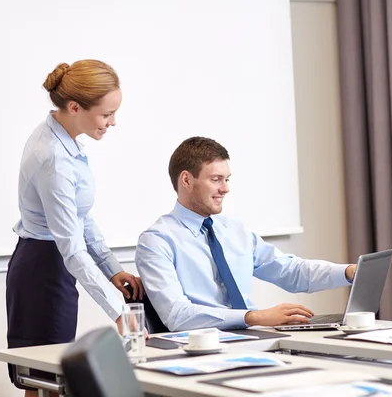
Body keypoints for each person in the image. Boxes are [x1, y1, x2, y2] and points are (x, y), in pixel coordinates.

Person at [6, 59, 144, 395]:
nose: (113, 122)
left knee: (53, 379)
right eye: (106, 114)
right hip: (43, 270)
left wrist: (111, 269)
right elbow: (71, 247)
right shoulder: (53, 157)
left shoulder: (65, 140)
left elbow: (79, 216)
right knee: (43, 380)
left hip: (52, 263)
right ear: (74, 107)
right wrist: (119, 314)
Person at [135, 136, 356, 331]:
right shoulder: (157, 241)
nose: (225, 188)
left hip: (255, 338)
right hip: (204, 348)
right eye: (216, 179)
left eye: (227, 179)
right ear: (186, 180)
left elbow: (290, 270)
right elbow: (177, 315)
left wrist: (347, 272)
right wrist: (255, 317)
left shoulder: (234, 230)